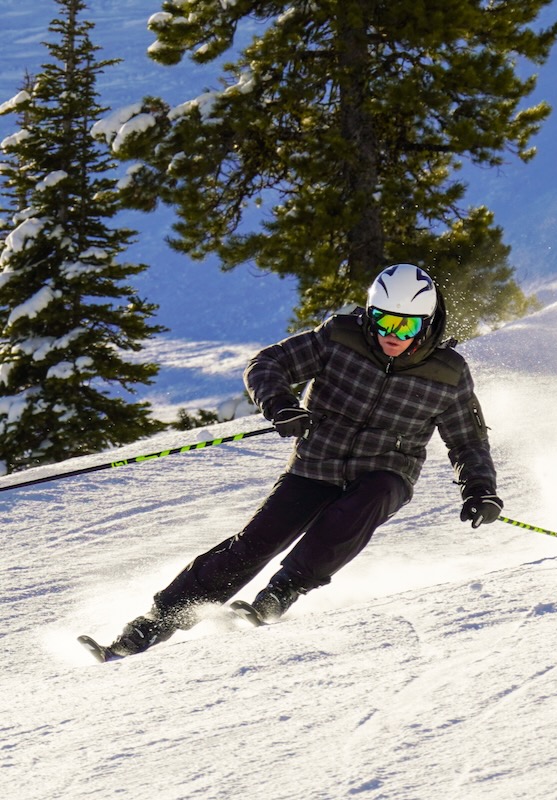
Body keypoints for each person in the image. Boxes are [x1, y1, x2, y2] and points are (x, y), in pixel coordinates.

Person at [96, 263, 503, 658]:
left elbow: (468, 441)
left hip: (386, 472)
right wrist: (281, 406)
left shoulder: (449, 374)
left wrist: (480, 490)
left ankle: (283, 590)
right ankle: (155, 622)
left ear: (427, 325)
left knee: (368, 500)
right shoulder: (339, 337)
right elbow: (267, 364)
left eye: (406, 325)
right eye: (382, 320)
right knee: (253, 546)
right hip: (316, 465)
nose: (390, 335)